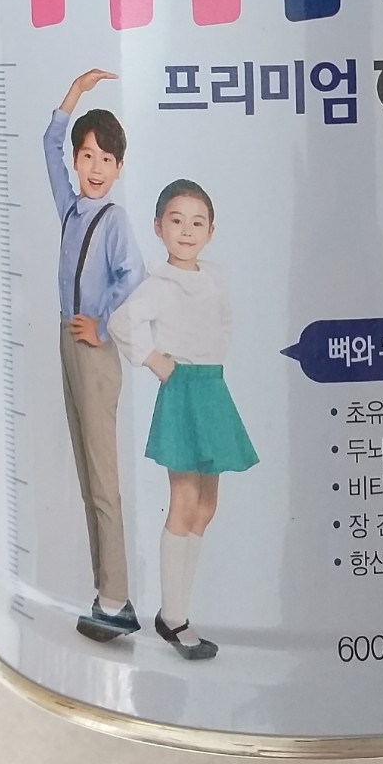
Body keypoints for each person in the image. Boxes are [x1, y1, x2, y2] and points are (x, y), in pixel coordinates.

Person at [110, 180, 258, 661]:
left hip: (212, 387)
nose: (187, 231)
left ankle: (178, 609)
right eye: (176, 221)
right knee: (184, 499)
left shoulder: (213, 278)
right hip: (184, 389)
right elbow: (122, 321)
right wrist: (155, 359)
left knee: (207, 505)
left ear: (211, 231)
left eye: (198, 222)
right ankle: (174, 616)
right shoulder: (160, 284)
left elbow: (225, 321)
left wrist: (213, 356)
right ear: (159, 228)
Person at [44, 69, 146, 642]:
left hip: (94, 349)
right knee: (87, 473)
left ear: (119, 168)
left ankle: (117, 597)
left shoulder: (114, 220)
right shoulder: (70, 208)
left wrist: (101, 322)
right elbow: (47, 146)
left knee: (103, 477)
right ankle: (104, 593)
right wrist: (76, 94)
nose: (96, 167)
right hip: (67, 338)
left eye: (107, 159)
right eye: (87, 156)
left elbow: (133, 275)